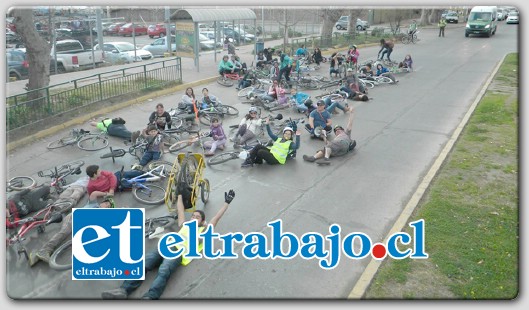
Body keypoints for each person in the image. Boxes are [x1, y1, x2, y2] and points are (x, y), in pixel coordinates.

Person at [101, 188, 236, 300]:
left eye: (197, 217)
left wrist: (226, 203)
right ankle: (123, 291)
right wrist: (179, 195)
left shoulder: (204, 231)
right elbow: (181, 210)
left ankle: (150, 297)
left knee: (164, 271)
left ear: (202, 221)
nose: (194, 218)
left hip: (178, 253)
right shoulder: (185, 225)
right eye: (193, 216)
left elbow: (215, 218)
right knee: (144, 264)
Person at [27, 181, 108, 267]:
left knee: (65, 240)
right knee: (64, 233)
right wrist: (107, 193)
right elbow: (94, 194)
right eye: (107, 204)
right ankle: (44, 250)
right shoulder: (94, 205)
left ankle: (36, 255)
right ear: (102, 202)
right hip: (74, 217)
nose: (107, 206)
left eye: (109, 207)